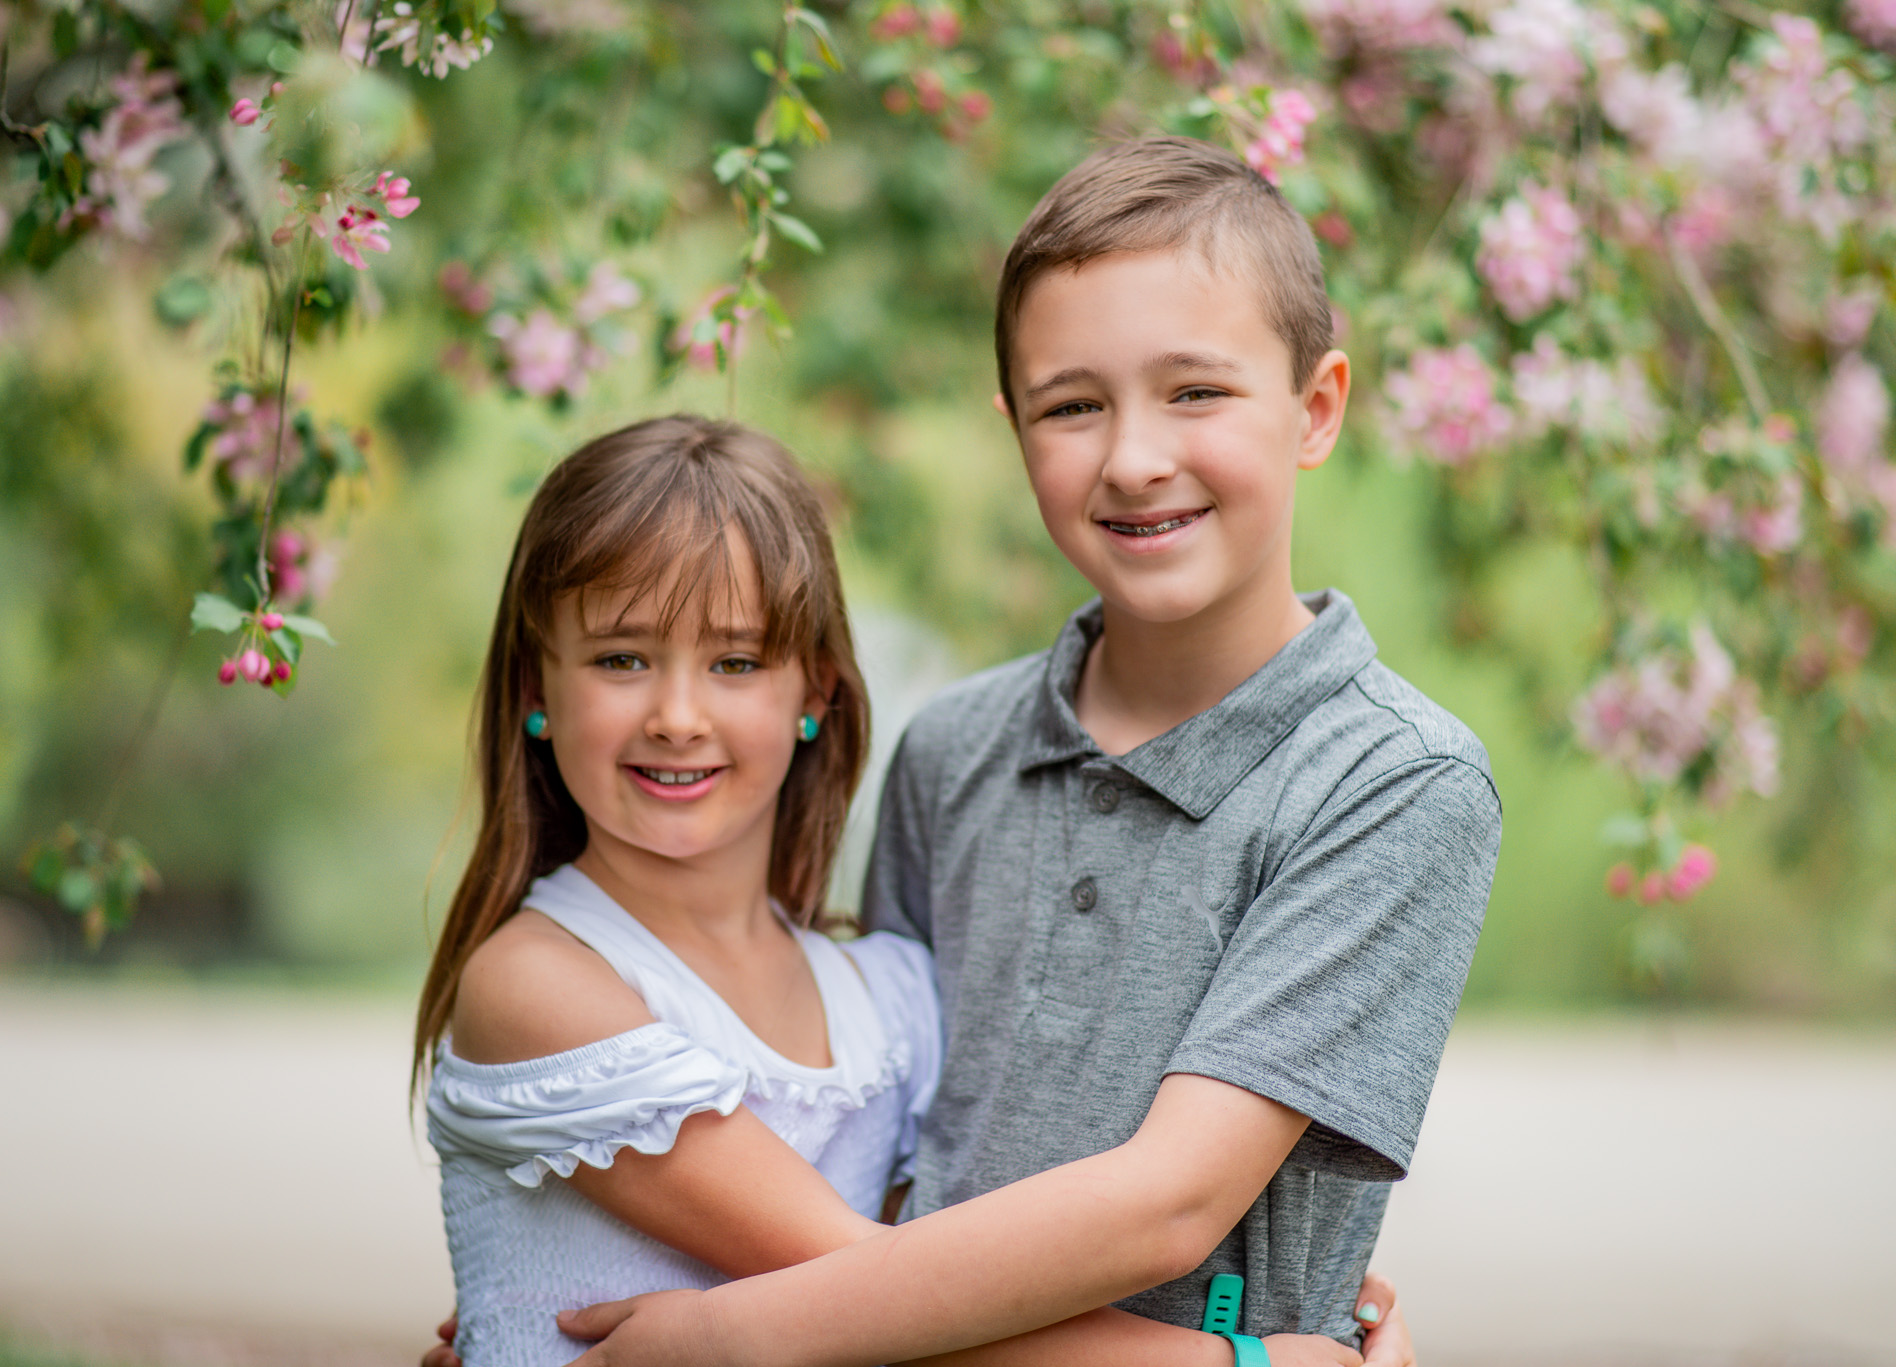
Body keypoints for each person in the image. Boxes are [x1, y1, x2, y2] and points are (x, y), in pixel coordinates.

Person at [541, 137, 1501, 1367]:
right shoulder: (952, 750)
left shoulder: (1389, 782)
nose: (1133, 456)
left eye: (1195, 391)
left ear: (1313, 409)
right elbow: (872, 1145)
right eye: (1072, 405)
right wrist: (559, 1296)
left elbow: (1169, 1202)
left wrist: (729, 1337)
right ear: (1015, 430)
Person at [413, 414, 1407, 1367]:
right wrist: (1222, 1356)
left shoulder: (885, 997)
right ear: (537, 692)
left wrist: (1325, 1299)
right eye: (621, 658)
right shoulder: (533, 983)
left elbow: (948, 1267)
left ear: (815, 694)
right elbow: (873, 1280)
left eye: (734, 661)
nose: (677, 714)